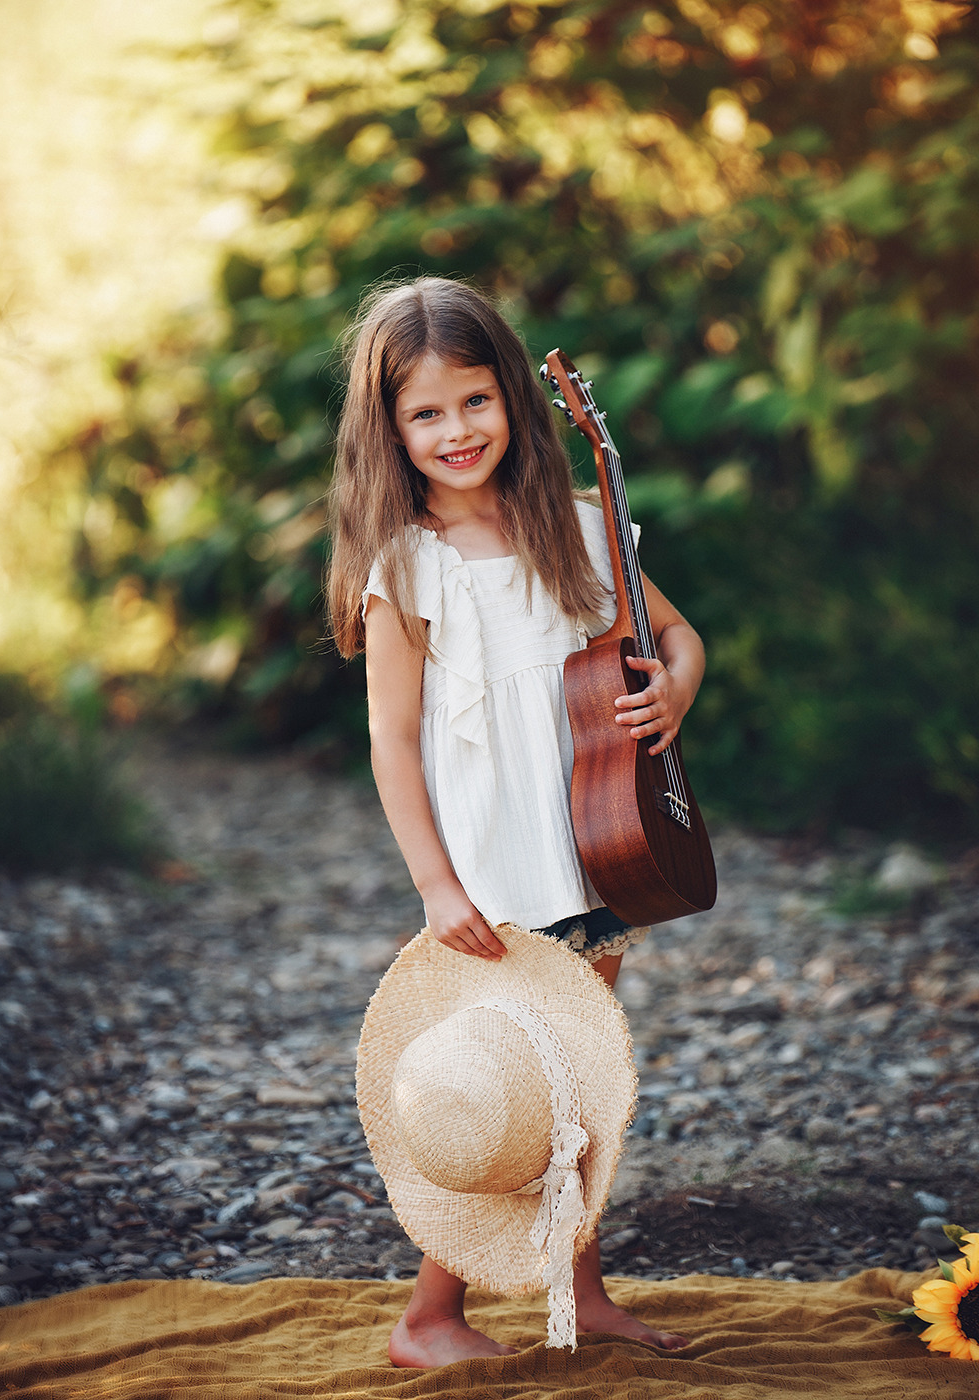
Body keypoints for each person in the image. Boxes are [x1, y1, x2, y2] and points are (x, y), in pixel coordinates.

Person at [328, 276, 704, 1368]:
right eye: (426, 412)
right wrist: (438, 885)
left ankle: (576, 1292)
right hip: (495, 870)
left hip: (599, 846)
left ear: (514, 403)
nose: (456, 430)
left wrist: (675, 687)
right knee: (513, 1090)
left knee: (584, 1081)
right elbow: (393, 740)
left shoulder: (578, 528)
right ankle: (426, 1314)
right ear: (390, 429)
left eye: (476, 401)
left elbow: (681, 640)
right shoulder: (406, 562)